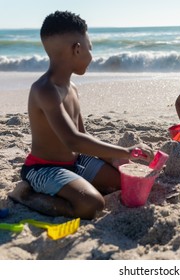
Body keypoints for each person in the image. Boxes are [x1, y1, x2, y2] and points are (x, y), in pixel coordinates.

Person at [8, 11, 154, 220]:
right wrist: (125, 151)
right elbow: (73, 141)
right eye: (90, 48)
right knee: (92, 204)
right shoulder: (45, 90)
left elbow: (83, 135)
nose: (92, 55)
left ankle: (73, 183)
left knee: (121, 181)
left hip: (75, 162)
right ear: (77, 49)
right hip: (43, 169)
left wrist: (113, 157)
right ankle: (25, 195)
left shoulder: (72, 87)